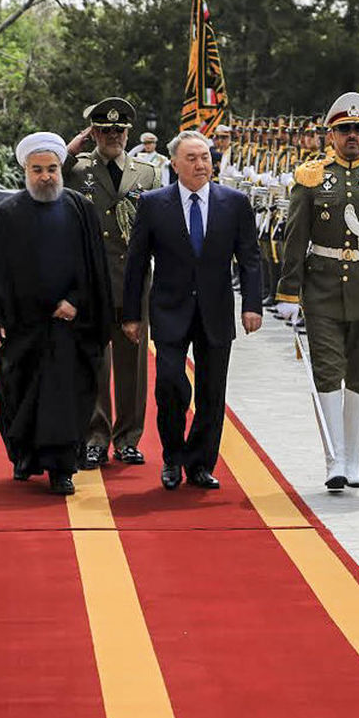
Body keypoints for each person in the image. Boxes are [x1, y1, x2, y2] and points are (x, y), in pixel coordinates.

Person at [275, 91, 359, 490]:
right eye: (344, 129)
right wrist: (288, 292)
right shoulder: (311, 177)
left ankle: (354, 458)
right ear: (330, 134)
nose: (352, 136)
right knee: (327, 371)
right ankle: (334, 457)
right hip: (321, 288)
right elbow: (295, 237)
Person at [0, 132, 114, 495]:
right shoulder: (7, 213)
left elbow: (93, 265)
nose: (46, 176)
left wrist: (76, 301)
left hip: (68, 324)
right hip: (21, 326)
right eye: (38, 170)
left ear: (60, 169)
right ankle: (25, 457)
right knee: (18, 393)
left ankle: (61, 468)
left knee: (63, 398)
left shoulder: (79, 209)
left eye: (52, 169)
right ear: (25, 170)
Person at [122, 130, 262, 490]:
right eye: (192, 158)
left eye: (205, 157)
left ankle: (200, 463)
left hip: (215, 310)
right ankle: (172, 457)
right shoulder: (154, 203)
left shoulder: (234, 202)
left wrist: (252, 305)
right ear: (175, 164)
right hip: (169, 309)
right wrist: (131, 314)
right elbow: (137, 262)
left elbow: (249, 259)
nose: (201, 164)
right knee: (170, 384)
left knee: (212, 393)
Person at [63, 97, 160, 470]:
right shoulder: (79, 169)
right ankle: (95, 437)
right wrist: (74, 146)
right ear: (94, 133)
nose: (113, 136)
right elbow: (45, 168)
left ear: (128, 133)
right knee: (95, 363)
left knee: (133, 363)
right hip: (93, 281)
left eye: (119, 130)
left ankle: (129, 438)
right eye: (105, 130)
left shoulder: (147, 172)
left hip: (134, 280)